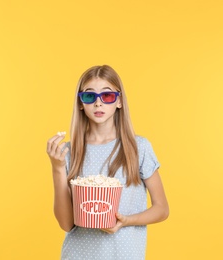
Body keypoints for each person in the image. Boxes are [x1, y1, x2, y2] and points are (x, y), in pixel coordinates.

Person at [46, 65, 169, 260]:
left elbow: (162, 209)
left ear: (119, 101)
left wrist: (126, 220)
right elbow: (66, 224)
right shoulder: (69, 153)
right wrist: (57, 168)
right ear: (80, 103)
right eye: (89, 96)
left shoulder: (138, 148)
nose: (98, 104)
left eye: (107, 96)